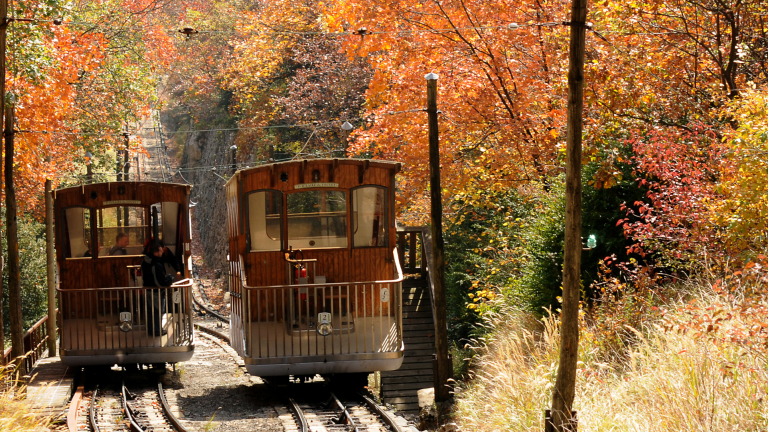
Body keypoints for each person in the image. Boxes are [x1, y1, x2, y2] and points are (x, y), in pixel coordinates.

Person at [142, 243, 174, 336]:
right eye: (161, 250)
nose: (163, 251)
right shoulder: (156, 265)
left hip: (148, 290)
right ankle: (157, 330)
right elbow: (160, 282)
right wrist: (170, 278)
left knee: (150, 311)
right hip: (157, 292)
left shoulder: (145, 261)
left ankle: (151, 329)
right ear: (156, 252)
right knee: (157, 311)